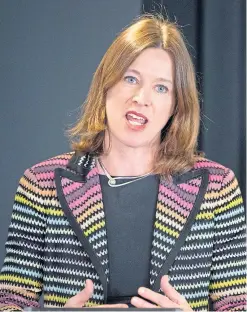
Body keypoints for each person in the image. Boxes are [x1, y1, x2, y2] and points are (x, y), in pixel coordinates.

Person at [0, 13, 246, 312]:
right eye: (131, 79)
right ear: (106, 84)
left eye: (161, 88)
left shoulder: (217, 188)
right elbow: (9, 303)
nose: (141, 98)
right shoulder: (41, 184)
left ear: (176, 105)